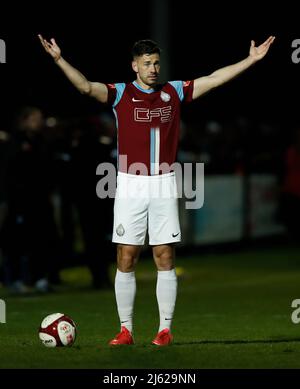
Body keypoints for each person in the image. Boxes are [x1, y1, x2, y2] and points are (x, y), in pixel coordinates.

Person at [38, 34, 275, 345]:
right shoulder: (120, 94)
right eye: (147, 63)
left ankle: (165, 329)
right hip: (129, 183)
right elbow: (85, 86)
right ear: (134, 65)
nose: (153, 68)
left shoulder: (173, 91)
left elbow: (214, 79)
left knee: (164, 255)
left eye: (156, 63)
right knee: (126, 256)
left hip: (163, 182)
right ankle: (126, 330)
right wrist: (59, 60)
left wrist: (251, 60)